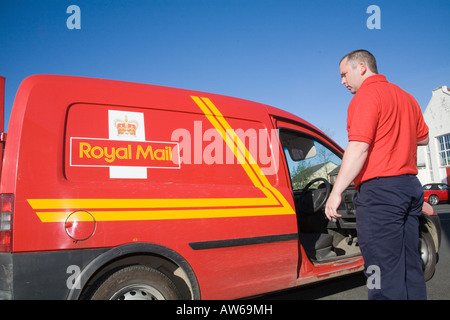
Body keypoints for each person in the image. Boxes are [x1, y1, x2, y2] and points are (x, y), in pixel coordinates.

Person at [325, 49, 429, 300]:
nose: (342, 81)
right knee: (410, 265)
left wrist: (336, 192)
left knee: (381, 271)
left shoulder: (365, 96)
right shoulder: (407, 97)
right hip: (410, 188)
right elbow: (423, 138)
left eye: (344, 74)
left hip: (380, 194)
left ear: (361, 67)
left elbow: (359, 147)